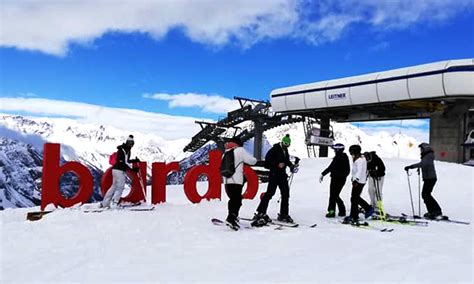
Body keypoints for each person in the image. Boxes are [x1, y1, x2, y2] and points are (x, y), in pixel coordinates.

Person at [252, 134, 297, 226]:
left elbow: (285, 160)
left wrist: (291, 166)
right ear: (282, 142)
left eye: (288, 144)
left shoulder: (285, 150)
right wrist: (277, 164)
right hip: (274, 174)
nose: (286, 145)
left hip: (282, 175)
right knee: (270, 193)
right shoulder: (274, 149)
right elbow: (267, 161)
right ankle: (261, 212)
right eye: (285, 143)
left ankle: (284, 214)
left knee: (285, 193)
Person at [222, 137, 257, 230]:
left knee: (233, 199)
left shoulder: (226, 152)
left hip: (227, 180)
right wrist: (255, 160)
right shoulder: (239, 150)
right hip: (236, 180)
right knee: (237, 200)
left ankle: (232, 216)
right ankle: (232, 218)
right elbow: (251, 161)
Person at [404, 143, 442, 219]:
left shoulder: (428, 156)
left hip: (430, 179)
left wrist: (411, 167)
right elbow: (425, 164)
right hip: (429, 178)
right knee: (426, 194)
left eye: (421, 149)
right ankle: (432, 211)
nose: (420, 151)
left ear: (425, 149)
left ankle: (436, 211)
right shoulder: (427, 156)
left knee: (426, 194)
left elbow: (423, 164)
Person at [100, 135, 140, 208]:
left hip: (115, 169)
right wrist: (132, 169)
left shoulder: (126, 150)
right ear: (127, 142)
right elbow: (122, 162)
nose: (131, 145)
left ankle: (105, 203)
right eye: (130, 143)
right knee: (120, 187)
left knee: (114, 186)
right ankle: (114, 203)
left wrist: (134, 160)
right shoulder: (123, 150)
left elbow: (126, 161)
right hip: (119, 170)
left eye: (132, 144)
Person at [343, 145, 374, 224]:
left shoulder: (360, 160)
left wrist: (356, 180)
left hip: (359, 182)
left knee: (354, 198)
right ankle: (355, 214)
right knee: (355, 198)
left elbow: (360, 171)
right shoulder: (360, 158)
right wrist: (353, 178)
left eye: (351, 152)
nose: (351, 153)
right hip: (360, 181)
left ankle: (365, 210)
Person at [320, 143, 350, 218]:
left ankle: (333, 211)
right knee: (335, 195)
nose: (334, 151)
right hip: (342, 179)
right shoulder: (344, 157)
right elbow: (347, 170)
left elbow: (331, 167)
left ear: (338, 150)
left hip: (336, 179)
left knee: (333, 195)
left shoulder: (338, 157)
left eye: (335, 149)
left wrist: (323, 174)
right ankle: (341, 211)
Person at [363, 151, 386, 217]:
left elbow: (383, 169)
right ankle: (372, 204)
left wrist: (377, 173)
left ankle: (378, 206)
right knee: (370, 190)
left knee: (378, 191)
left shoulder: (377, 159)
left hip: (379, 177)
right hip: (371, 176)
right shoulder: (366, 161)